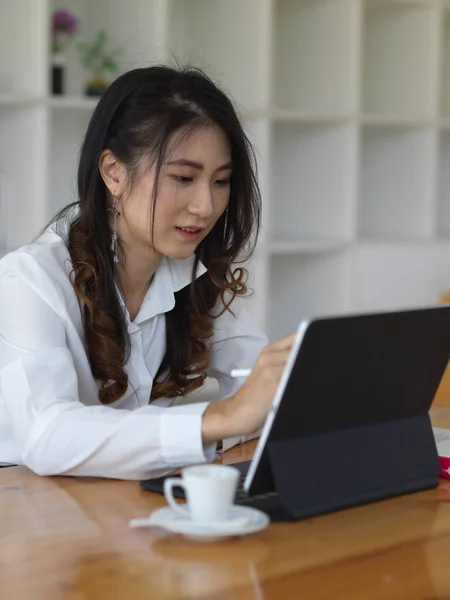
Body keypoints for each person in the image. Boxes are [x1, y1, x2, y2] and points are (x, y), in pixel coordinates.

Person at [0, 66, 294, 480]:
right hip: (30, 518)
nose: (205, 206)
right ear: (114, 172)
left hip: (125, 514)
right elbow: (47, 434)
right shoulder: (28, 279)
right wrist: (220, 418)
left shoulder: (192, 275)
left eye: (221, 181)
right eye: (184, 178)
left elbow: (264, 398)